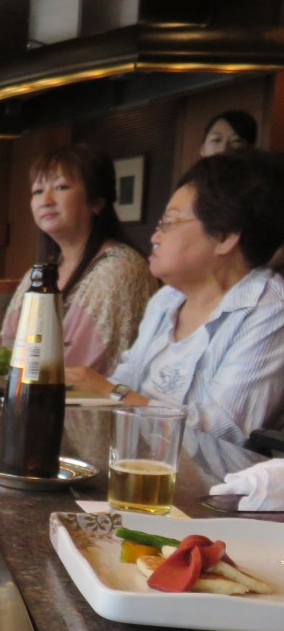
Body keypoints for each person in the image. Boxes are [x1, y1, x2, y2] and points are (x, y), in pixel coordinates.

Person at [66, 151, 284, 446]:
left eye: (169, 223)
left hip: (208, 475)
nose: (155, 237)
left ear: (224, 236)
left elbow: (224, 432)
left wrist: (109, 391)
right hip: (136, 460)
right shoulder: (167, 299)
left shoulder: (270, 309)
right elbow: (125, 382)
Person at [3, 144, 154, 373]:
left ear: (97, 202)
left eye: (61, 187)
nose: (46, 200)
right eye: (38, 191)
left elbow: (79, 372)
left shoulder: (119, 269)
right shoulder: (45, 269)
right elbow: (6, 350)